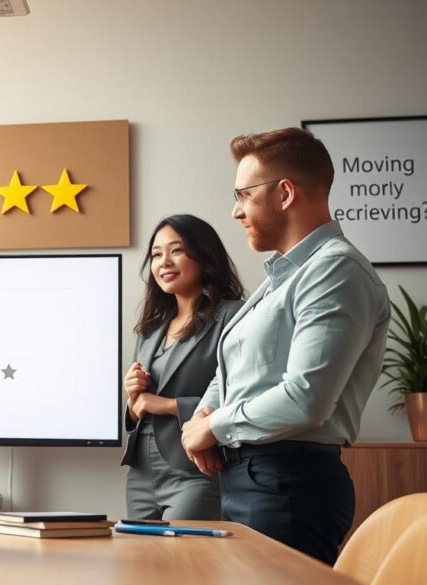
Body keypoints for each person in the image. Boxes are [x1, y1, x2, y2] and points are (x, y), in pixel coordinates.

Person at [181, 127, 390, 565]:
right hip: (255, 480)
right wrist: (203, 415)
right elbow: (233, 368)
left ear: (285, 193)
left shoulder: (335, 271)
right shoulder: (284, 275)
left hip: (288, 485)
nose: (235, 211)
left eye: (243, 195)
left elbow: (306, 399)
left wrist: (214, 425)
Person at [121, 214, 244, 521]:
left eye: (176, 250)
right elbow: (139, 408)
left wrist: (164, 405)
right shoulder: (150, 328)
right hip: (141, 473)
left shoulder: (233, 316)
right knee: (140, 552)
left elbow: (240, 395)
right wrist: (133, 400)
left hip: (195, 467)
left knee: (183, 551)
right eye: (156, 254)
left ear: (204, 256)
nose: (164, 262)